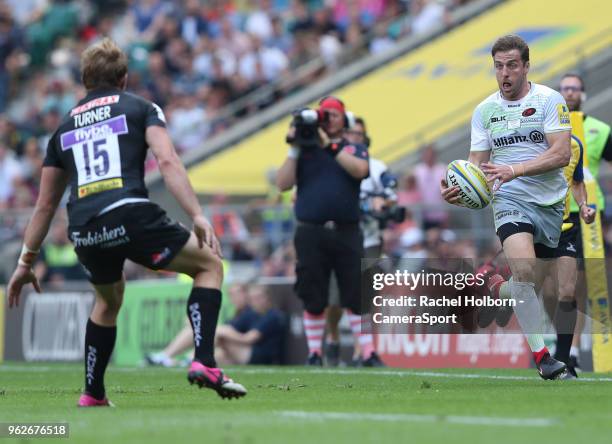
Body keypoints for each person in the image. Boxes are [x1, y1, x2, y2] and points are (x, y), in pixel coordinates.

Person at [6, 38, 246, 405]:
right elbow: (167, 162)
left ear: (85, 80)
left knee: (107, 301)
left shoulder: (63, 128)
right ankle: (204, 361)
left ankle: (92, 393)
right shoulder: (141, 107)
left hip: (84, 228)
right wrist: (197, 214)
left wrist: (25, 262)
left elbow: (44, 205)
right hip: (130, 212)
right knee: (209, 264)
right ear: (124, 78)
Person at [440, 34, 571, 379]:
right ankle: (543, 358)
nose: (505, 73)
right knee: (526, 271)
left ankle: (493, 285)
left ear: (526, 66)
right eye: (499, 66)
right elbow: (476, 167)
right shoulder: (485, 111)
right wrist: (459, 190)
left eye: (512, 65)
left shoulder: (549, 100)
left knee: (538, 285)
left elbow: (562, 153)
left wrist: (517, 168)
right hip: (509, 199)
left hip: (550, 203)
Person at [276, 96, 370, 366]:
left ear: (344, 119)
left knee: (355, 292)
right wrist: (294, 149)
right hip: (311, 231)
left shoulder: (353, 147)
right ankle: (314, 353)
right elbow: (282, 184)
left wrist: (329, 145)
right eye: (324, 115)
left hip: (346, 230)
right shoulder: (304, 152)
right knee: (313, 293)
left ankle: (367, 352)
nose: (328, 120)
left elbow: (360, 170)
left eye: (334, 115)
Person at [558, 73, 612, 370]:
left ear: (584, 94)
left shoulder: (599, 130)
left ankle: (574, 352)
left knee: (583, 283)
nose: (569, 93)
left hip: (590, 215)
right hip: (556, 212)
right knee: (557, 284)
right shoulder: (550, 128)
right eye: (564, 88)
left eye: (574, 88)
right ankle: (561, 344)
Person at [324, 117, 388, 367]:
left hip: (369, 238)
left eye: (359, 134)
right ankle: (333, 338)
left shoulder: (377, 167)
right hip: (336, 237)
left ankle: (364, 350)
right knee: (334, 300)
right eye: (350, 133)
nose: (354, 138)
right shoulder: (330, 165)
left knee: (363, 295)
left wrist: (382, 204)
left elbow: (390, 196)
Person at [215, 285, 286, 365]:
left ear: (267, 297)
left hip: (263, 357)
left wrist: (226, 332)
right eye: (252, 299)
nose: (255, 301)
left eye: (258, 297)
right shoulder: (251, 314)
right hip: (250, 352)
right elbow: (231, 327)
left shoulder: (273, 315)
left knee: (222, 336)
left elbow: (249, 338)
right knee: (219, 353)